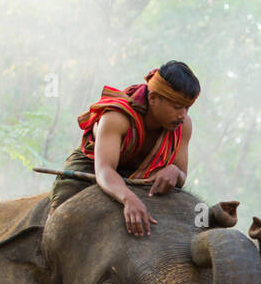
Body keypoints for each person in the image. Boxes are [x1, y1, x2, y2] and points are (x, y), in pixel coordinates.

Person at [48, 60, 199, 235]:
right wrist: (129, 199)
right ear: (153, 98)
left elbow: (182, 174)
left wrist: (174, 171)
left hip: (142, 176)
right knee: (60, 222)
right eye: (176, 107)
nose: (182, 115)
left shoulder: (184, 125)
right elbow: (104, 170)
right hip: (93, 165)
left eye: (187, 108)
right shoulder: (117, 117)